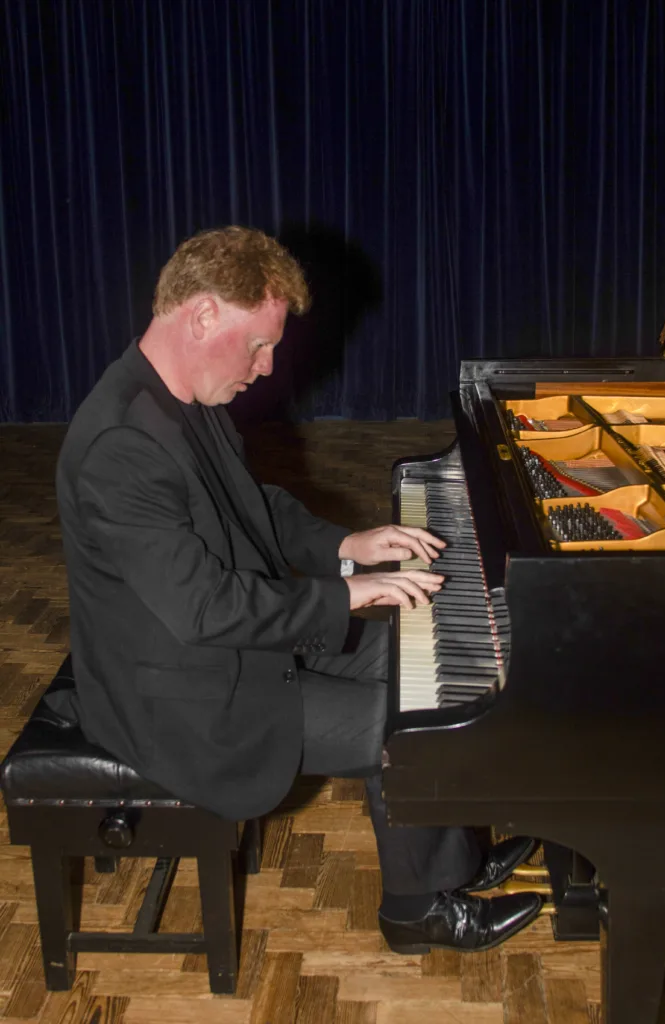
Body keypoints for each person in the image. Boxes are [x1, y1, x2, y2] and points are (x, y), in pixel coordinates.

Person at [53, 226, 541, 954]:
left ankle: (454, 861)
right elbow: (205, 607)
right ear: (203, 314)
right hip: (179, 702)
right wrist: (349, 595)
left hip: (223, 652)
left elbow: (253, 507)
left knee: (415, 653)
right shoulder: (120, 445)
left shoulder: (181, 400)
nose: (268, 365)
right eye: (259, 344)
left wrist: (345, 547)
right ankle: (417, 911)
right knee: (403, 729)